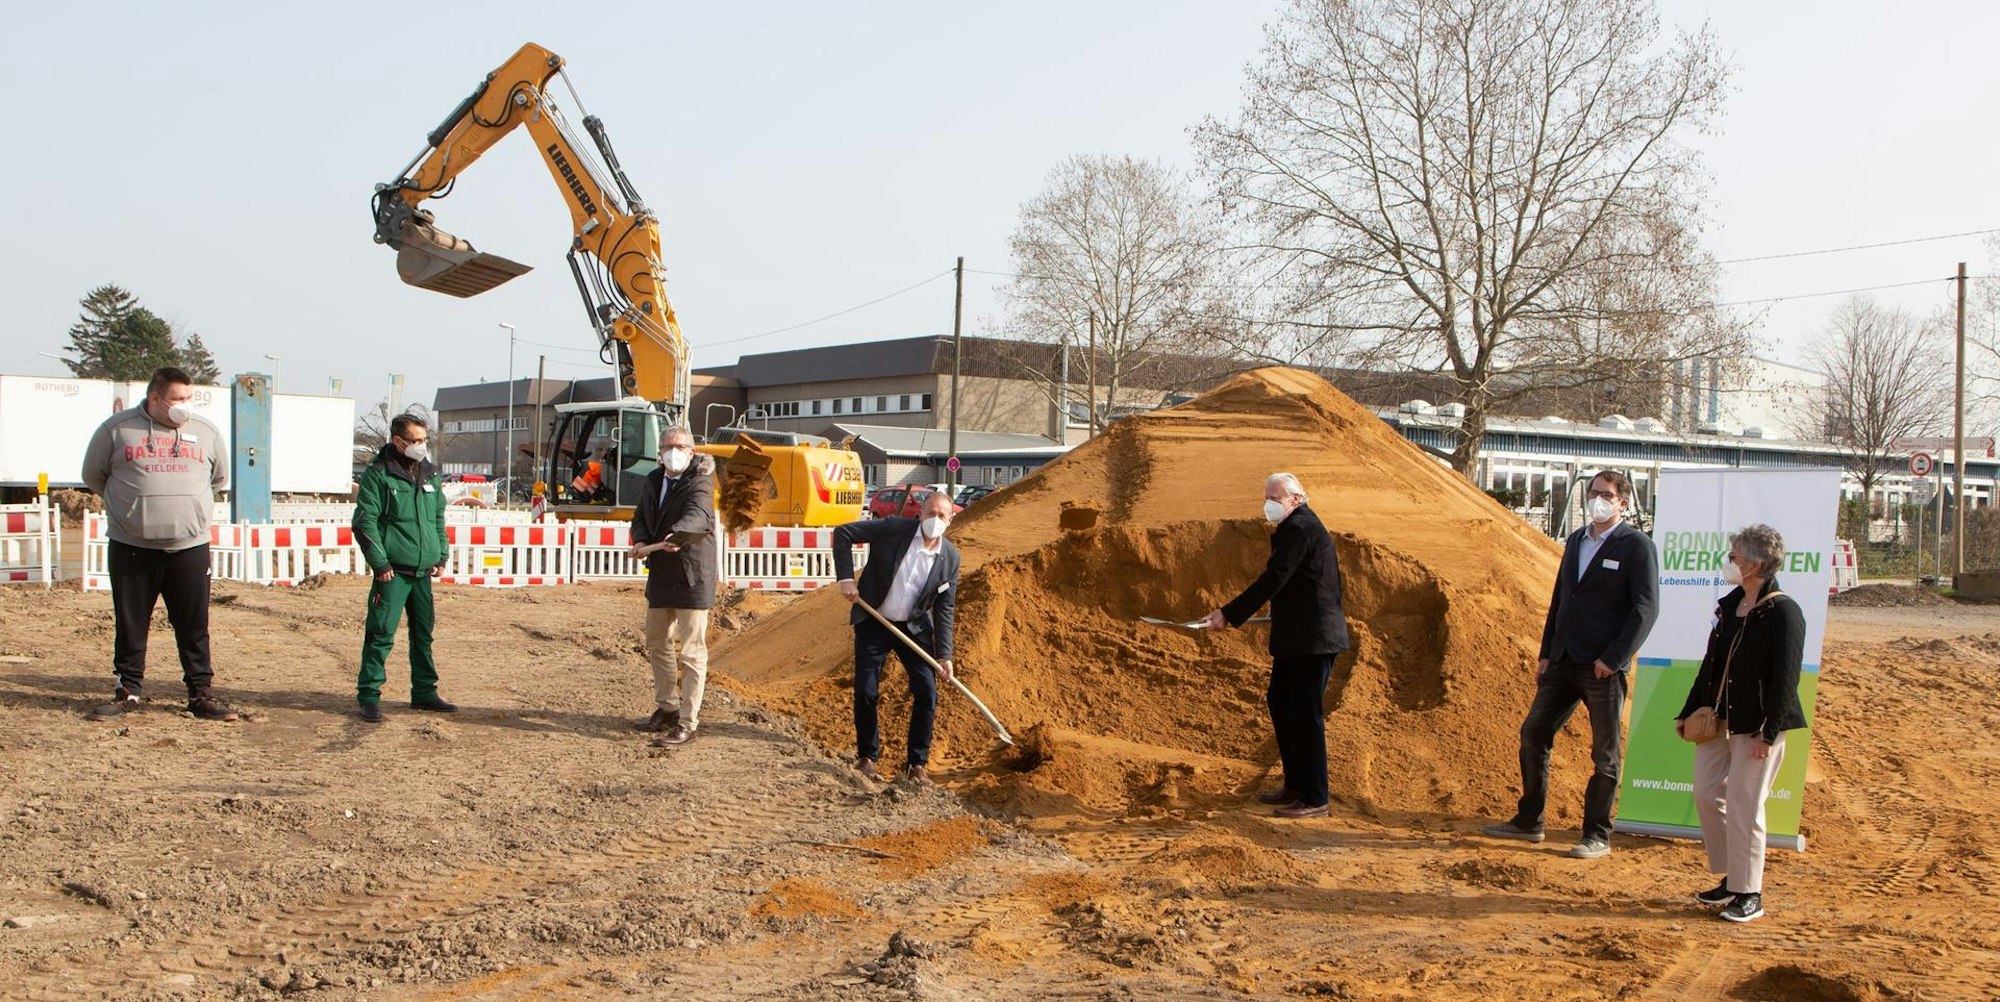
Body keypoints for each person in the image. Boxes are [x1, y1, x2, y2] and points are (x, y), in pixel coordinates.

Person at [1483, 470, 1659, 858]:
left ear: (1623, 503)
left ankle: (1596, 833)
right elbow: (1561, 600)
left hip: (1602, 667)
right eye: (1593, 492)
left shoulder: (1637, 546)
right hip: (1562, 661)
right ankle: (1530, 820)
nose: (1597, 499)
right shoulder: (1577, 540)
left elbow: (1645, 610)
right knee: (1533, 733)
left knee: (1604, 754)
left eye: (1606, 494)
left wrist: (1613, 658)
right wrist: (1547, 652)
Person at [81, 366, 238, 722]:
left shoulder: (206, 432)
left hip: (189, 545)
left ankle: (201, 694)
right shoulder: (117, 430)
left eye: (189, 398)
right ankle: (128, 691)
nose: (186, 406)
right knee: (131, 622)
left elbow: (219, 478)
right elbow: (93, 474)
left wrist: (189, 508)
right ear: (155, 398)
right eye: (177, 399)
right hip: (132, 545)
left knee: (194, 624)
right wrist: (130, 508)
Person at [1675, 524, 1807, 924]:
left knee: (1745, 806)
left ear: (1754, 563)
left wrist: (1768, 733)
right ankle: (1734, 876)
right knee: (1705, 791)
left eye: (1733, 556)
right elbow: (1709, 666)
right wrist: (1688, 710)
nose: (1728, 562)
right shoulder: (1730, 604)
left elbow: (1787, 677)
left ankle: (1750, 893)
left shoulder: (1784, 611)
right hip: (1718, 720)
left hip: (1757, 726)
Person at [1204, 472, 1349, 819]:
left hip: (1313, 638)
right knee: (1281, 702)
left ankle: (1315, 797)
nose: (1269, 503)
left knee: (1304, 712)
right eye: (1267, 496)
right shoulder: (1297, 527)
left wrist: (1229, 614)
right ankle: (1296, 785)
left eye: (1275, 497)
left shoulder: (1300, 528)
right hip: (1299, 634)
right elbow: (1302, 581)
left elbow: (1275, 577)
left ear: (1296, 498)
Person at [832, 490, 960, 784]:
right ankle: (867, 757)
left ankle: (917, 764)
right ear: (920, 514)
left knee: (927, 692)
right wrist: (846, 578)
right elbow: (843, 533)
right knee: (866, 690)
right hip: (875, 620)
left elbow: (945, 607)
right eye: (930, 514)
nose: (935, 520)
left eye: (942, 516)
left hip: (913, 629)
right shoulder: (893, 529)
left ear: (950, 520)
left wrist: (945, 655)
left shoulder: (950, 558)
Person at [351, 413, 454, 723]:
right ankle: (369, 695)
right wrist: (379, 562)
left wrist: (441, 554)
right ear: (397, 441)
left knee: (423, 634)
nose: (421, 447)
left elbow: (437, 519)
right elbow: (364, 522)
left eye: (424, 441)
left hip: (423, 572)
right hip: (393, 572)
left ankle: (424, 691)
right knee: (381, 633)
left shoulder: (430, 475)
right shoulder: (379, 476)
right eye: (415, 441)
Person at [628, 426, 717, 747]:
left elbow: (699, 516)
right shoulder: (654, 479)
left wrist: (677, 534)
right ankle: (667, 707)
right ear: (659, 451)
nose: (673, 452)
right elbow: (641, 516)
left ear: (691, 451)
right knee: (657, 642)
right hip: (661, 573)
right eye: (667, 446)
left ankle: (688, 723)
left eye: (679, 446)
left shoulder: (701, 480)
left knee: (692, 652)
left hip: (692, 575)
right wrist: (640, 538)